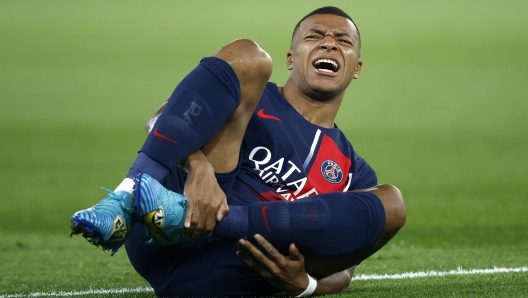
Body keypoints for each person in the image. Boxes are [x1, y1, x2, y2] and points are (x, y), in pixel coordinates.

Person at [70, 6, 406, 297]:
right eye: (314, 36)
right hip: (161, 231)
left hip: (236, 266)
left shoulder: (353, 173)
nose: (329, 43)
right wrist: (198, 166)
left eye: (343, 41)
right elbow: (160, 118)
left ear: (357, 67)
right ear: (292, 58)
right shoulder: (249, 90)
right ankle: (127, 196)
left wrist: (306, 285)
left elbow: (345, 267)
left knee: (391, 203)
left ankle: (207, 219)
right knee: (248, 54)